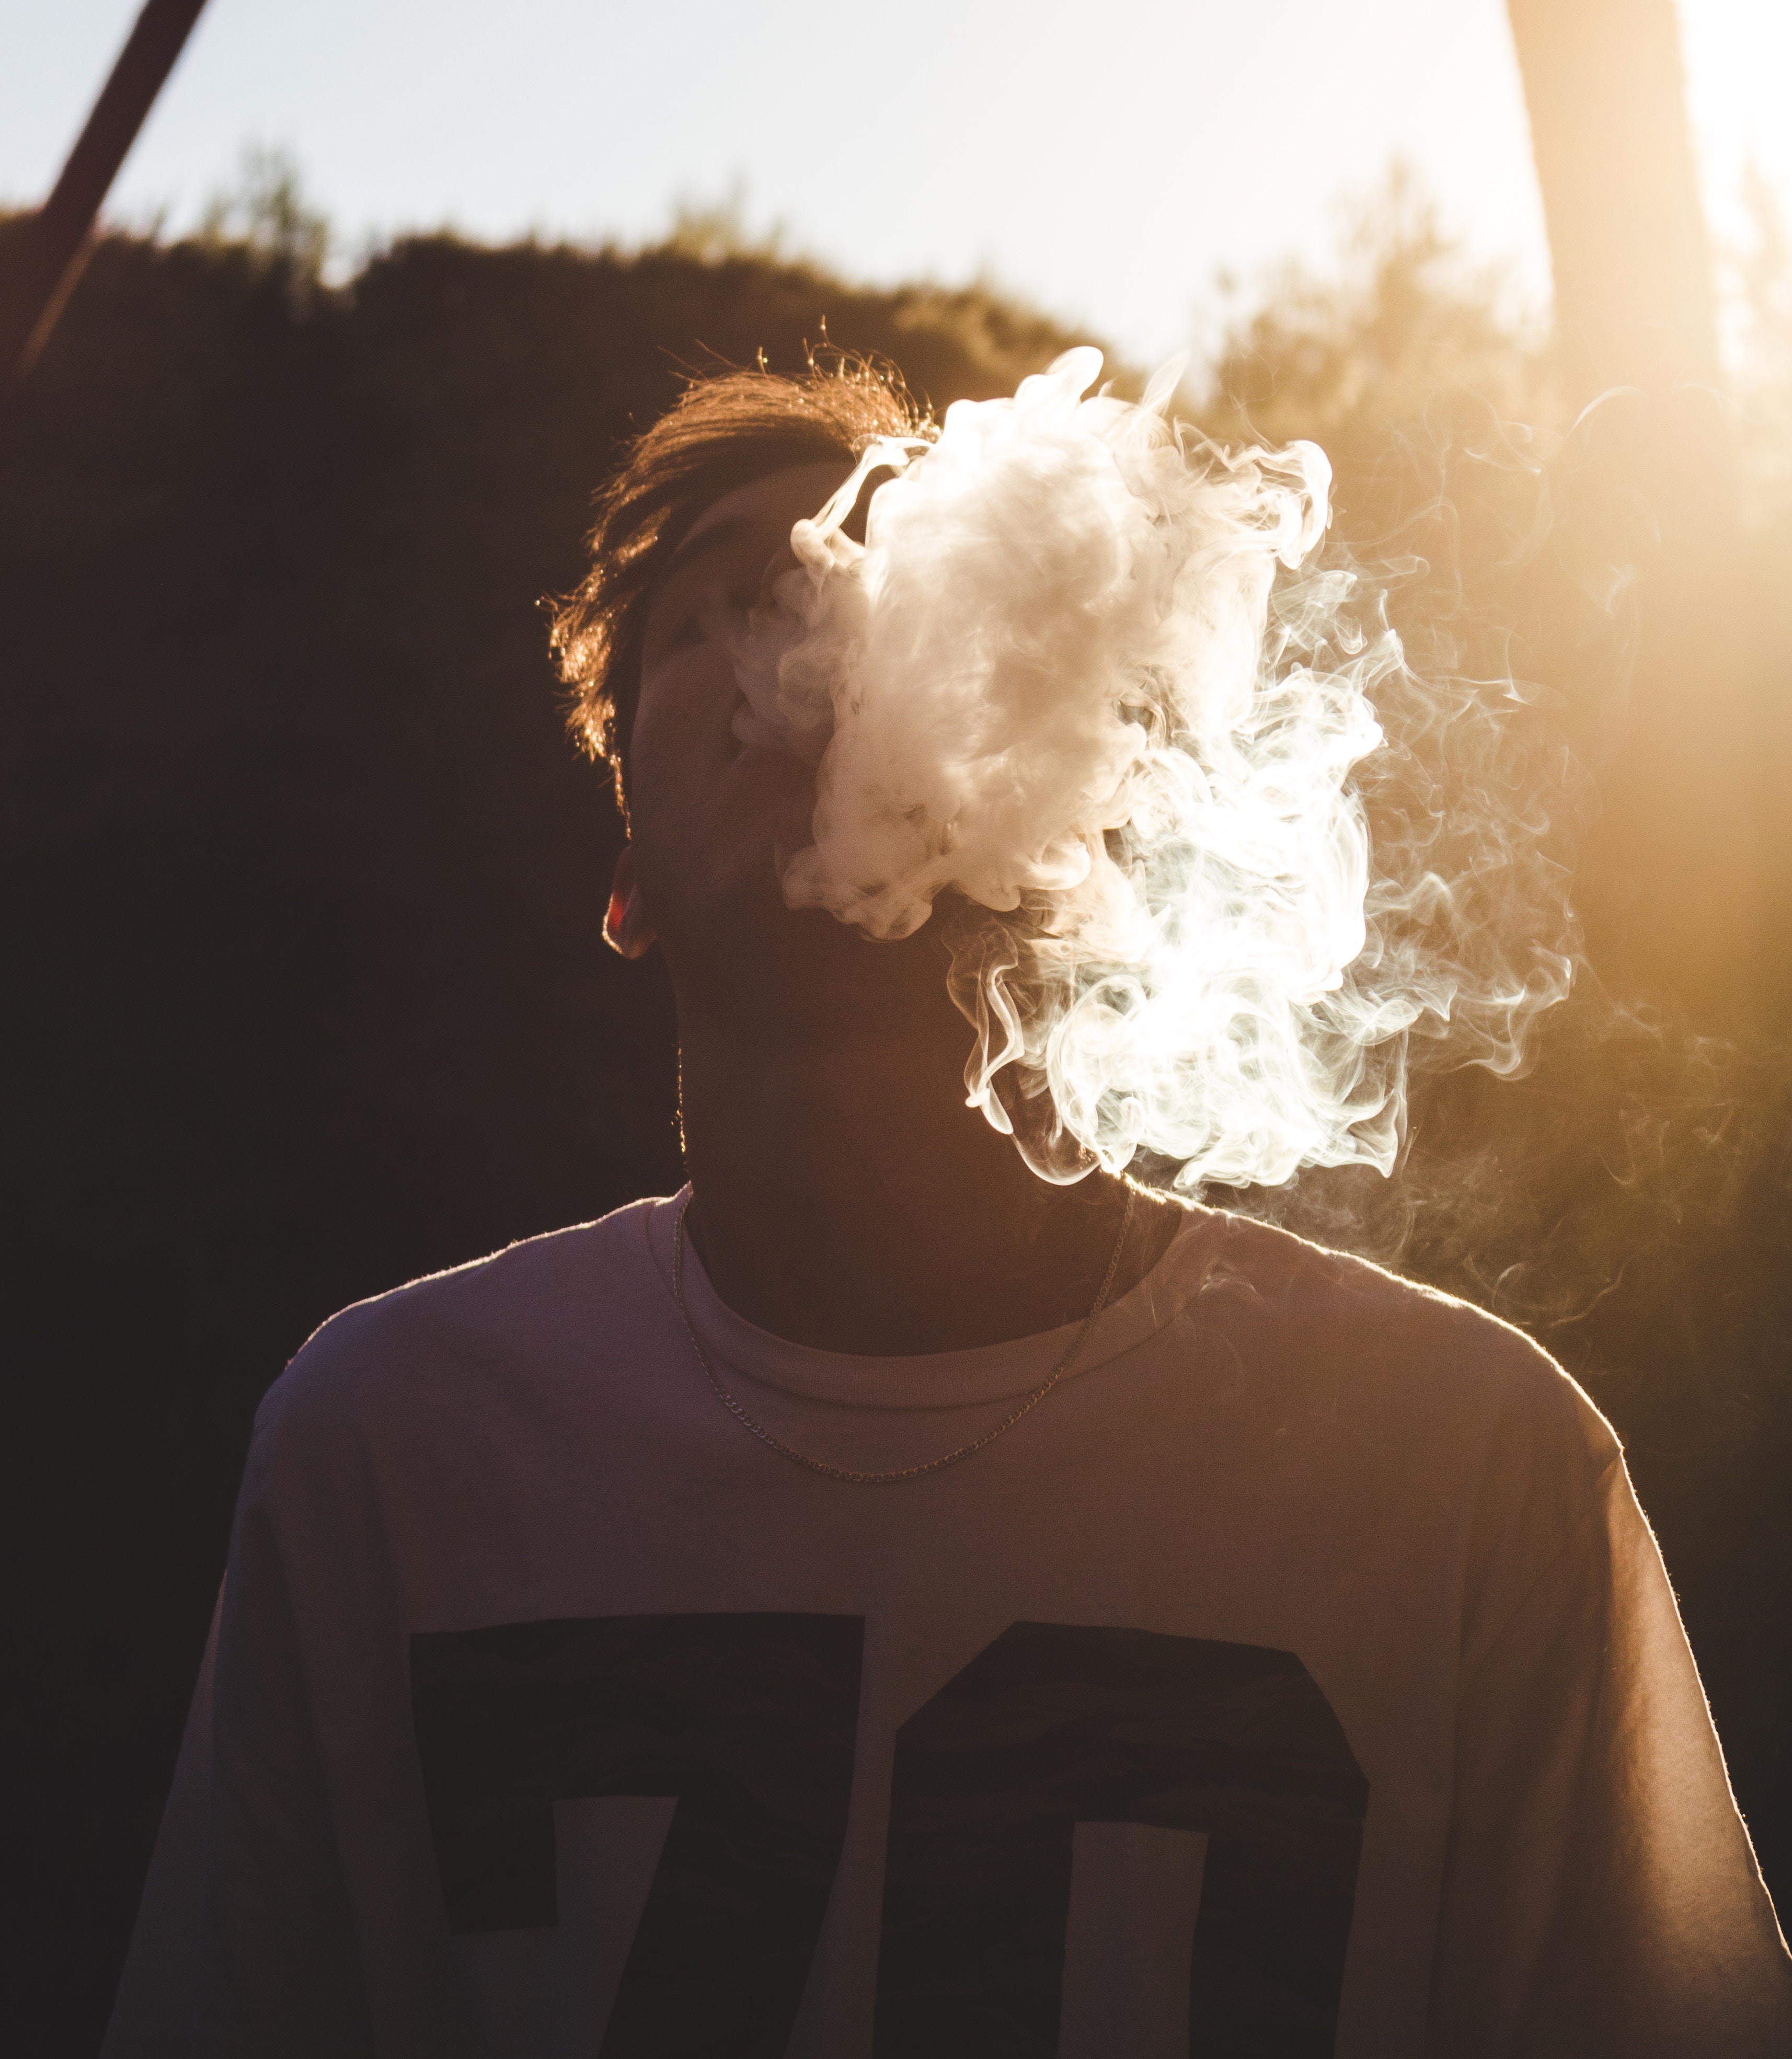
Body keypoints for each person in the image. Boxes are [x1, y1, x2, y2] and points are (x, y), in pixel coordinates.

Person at [105, 359, 1791, 2059]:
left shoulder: (1472, 1472)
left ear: (1074, 798)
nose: (805, 635)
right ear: (624, 883)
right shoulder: (393, 1447)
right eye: (713, 614)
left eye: (884, 576)